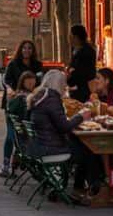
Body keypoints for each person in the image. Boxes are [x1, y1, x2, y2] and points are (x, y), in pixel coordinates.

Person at [27, 69, 98, 197]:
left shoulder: (41, 96)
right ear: (58, 84)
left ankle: (75, 186)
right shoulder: (52, 99)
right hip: (52, 148)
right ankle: (83, 187)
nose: (66, 86)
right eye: (64, 83)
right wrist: (81, 116)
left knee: (81, 145)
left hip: (42, 145)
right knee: (89, 150)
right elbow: (64, 127)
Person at [0, 40, 44, 177]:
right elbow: (6, 80)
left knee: (28, 133)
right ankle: (6, 164)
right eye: (24, 48)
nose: (27, 50)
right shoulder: (13, 64)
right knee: (12, 134)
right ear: (20, 49)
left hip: (31, 103)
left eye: (30, 48)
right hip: (15, 102)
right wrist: (10, 90)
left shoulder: (37, 65)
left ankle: (22, 159)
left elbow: (41, 82)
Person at [66, 25, 97, 102]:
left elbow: (81, 72)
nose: (68, 38)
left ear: (76, 37)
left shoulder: (87, 51)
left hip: (83, 90)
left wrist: (71, 73)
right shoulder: (75, 50)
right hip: (76, 88)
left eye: (70, 36)